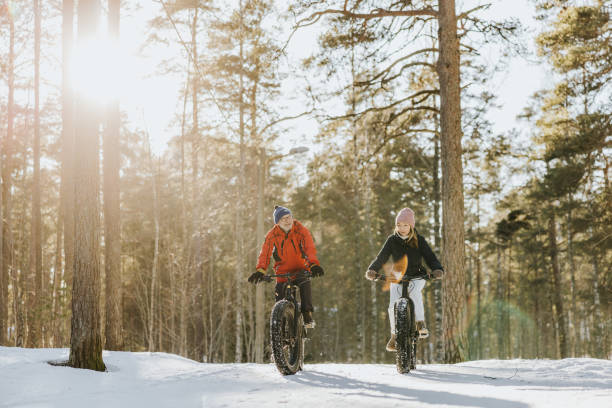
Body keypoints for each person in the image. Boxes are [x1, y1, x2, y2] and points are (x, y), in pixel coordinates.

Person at [365, 207, 443, 352]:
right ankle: (395, 335)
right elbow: (381, 257)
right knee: (392, 304)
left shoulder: (419, 240)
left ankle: (420, 323)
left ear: (411, 225)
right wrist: (373, 269)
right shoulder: (392, 240)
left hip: (417, 275)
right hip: (397, 276)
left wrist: (437, 269)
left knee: (414, 293)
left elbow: (431, 258)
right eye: (399, 225)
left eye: (405, 225)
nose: (402, 228)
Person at [248, 205, 324, 329]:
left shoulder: (301, 230)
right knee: (280, 299)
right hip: (282, 272)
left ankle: (307, 314)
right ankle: (281, 331)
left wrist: (314, 264)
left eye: (289, 217)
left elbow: (309, 248)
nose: (287, 220)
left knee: (305, 284)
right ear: (278, 222)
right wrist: (260, 270)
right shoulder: (272, 235)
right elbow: (265, 253)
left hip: (300, 269)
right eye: (283, 219)